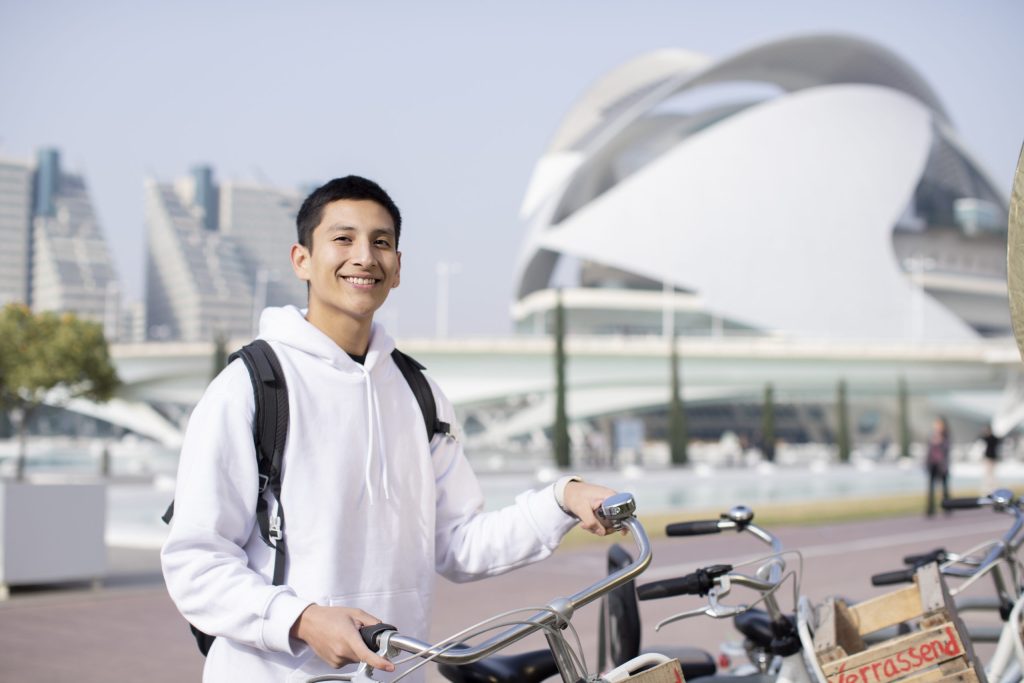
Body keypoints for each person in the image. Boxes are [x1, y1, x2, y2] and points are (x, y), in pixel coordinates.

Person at [161, 175, 617, 682]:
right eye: (343, 239)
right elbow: (196, 564)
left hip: (396, 673)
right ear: (301, 260)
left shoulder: (417, 391)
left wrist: (561, 500)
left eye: (381, 242)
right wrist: (303, 620)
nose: (364, 256)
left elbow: (458, 544)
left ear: (398, 267)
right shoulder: (249, 387)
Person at [925, 416, 951, 516]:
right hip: (933, 464)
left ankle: (947, 507)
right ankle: (930, 509)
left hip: (942, 465)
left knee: (944, 488)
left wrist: (940, 441)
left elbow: (947, 449)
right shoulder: (932, 435)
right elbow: (928, 450)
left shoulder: (946, 436)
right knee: (931, 488)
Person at [980, 424, 1001, 493]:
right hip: (992, 457)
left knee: (989, 474)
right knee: (991, 474)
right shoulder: (994, 438)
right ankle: (991, 487)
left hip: (990, 458)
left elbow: (982, 438)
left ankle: (990, 487)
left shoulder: (989, 438)